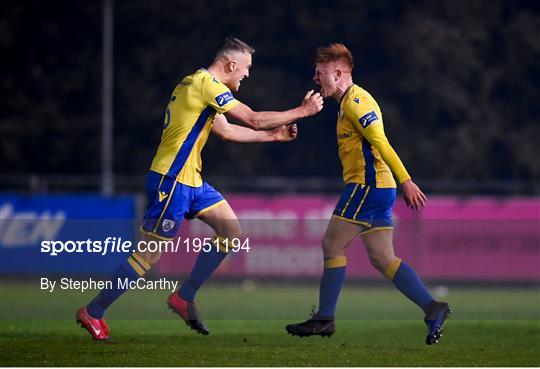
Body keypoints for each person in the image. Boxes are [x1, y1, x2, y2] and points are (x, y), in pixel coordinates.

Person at [76, 37, 323, 340]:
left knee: (231, 232)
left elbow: (228, 130)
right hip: (171, 180)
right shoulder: (205, 84)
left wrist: (274, 137)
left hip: (192, 182)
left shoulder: (199, 87)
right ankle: (94, 312)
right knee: (149, 255)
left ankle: (184, 296)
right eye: (245, 68)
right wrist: (302, 110)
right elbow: (254, 119)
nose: (246, 75)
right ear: (231, 65)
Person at [285, 43, 451, 345]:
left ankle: (324, 318)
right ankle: (432, 307)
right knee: (383, 258)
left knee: (331, 244)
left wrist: (407, 181)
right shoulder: (348, 102)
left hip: (367, 187)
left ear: (337, 74)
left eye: (320, 72)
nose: (315, 78)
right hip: (378, 189)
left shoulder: (356, 102)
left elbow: (382, 142)